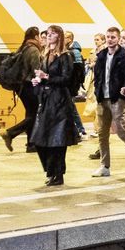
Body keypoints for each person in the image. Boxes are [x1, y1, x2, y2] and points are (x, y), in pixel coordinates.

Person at [29, 25, 79, 186]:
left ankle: (58, 174)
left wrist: (47, 76)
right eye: (47, 34)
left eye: (52, 34)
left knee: (57, 140)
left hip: (60, 101)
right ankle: (51, 171)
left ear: (59, 36)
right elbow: (44, 77)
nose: (48, 36)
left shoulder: (65, 56)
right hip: (46, 99)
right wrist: (38, 81)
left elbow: (66, 79)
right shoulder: (45, 55)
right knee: (40, 139)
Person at [90, 26, 125, 178]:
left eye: (113, 37)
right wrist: (97, 92)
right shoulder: (101, 55)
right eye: (108, 37)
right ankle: (104, 165)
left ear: (118, 39)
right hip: (103, 98)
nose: (110, 39)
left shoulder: (124, 57)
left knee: (122, 130)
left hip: (117, 99)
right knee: (102, 133)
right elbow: (98, 76)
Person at [1, 27, 43, 151]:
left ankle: (31, 144)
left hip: (21, 87)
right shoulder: (34, 49)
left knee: (30, 113)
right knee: (34, 114)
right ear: (35, 36)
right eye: (39, 36)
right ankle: (10, 133)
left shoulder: (23, 48)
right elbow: (36, 69)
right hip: (30, 86)